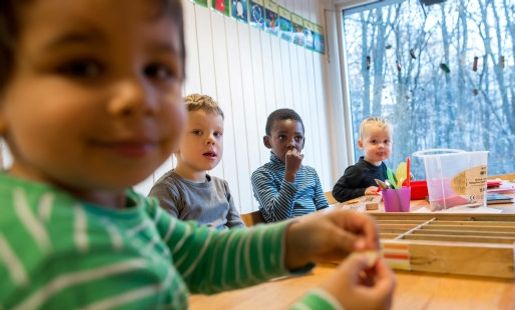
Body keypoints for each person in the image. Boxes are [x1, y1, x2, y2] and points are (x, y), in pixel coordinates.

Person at [0, 0, 395, 309]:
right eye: (83, 66)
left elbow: (200, 255)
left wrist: (295, 241)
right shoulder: (50, 254)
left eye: (157, 69)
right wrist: (330, 305)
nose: (137, 98)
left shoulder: (123, 204)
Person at [149, 94, 244, 229]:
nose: (211, 139)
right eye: (198, 132)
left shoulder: (222, 187)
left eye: (217, 134)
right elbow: (165, 244)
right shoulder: (167, 190)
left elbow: (240, 234)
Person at [251, 108, 330, 222]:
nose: (292, 143)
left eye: (298, 138)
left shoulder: (310, 173)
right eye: (282, 137)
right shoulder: (262, 175)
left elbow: (323, 209)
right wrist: (290, 174)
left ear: (303, 142)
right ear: (267, 142)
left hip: (315, 232)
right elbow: (278, 218)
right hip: (288, 237)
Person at [332, 117, 392, 202]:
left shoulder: (383, 167)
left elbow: (389, 189)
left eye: (386, 141)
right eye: (374, 141)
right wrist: (363, 191)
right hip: (362, 214)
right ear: (361, 144)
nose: (381, 146)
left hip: (380, 213)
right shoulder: (356, 170)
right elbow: (337, 191)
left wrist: (403, 181)